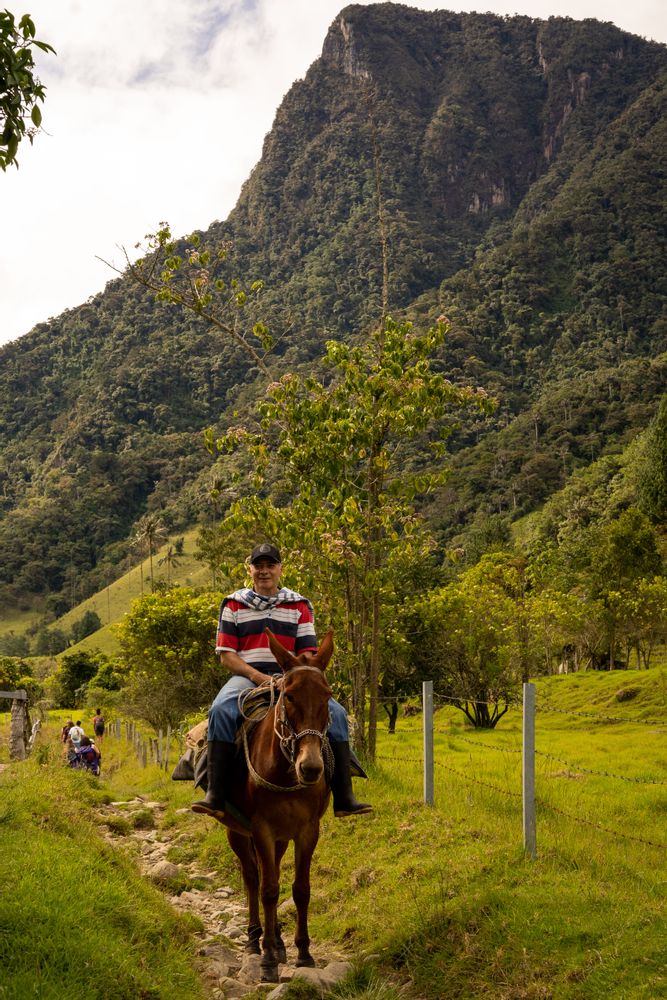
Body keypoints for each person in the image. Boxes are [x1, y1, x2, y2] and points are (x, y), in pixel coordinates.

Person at [192, 542, 372, 824]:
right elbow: (227, 655)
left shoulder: (299, 604)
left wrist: (292, 678)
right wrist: (259, 677)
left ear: (280, 569)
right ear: (249, 569)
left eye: (270, 565)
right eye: (258, 565)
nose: (264, 571)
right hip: (246, 676)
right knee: (221, 710)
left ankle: (344, 796)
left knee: (336, 713)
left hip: (293, 677)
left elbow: (309, 654)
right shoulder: (233, 604)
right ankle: (215, 794)